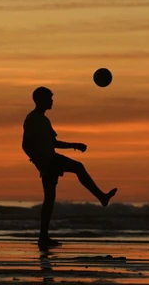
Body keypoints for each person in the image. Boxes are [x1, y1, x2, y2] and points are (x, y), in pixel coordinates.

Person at [22, 87, 117, 248]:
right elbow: (25, 145)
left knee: (50, 199)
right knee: (78, 168)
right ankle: (101, 197)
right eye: (50, 98)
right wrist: (41, 163)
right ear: (40, 100)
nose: (52, 101)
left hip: (51, 160)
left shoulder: (44, 120)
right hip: (48, 162)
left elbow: (53, 143)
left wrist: (74, 145)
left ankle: (43, 237)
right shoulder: (32, 119)